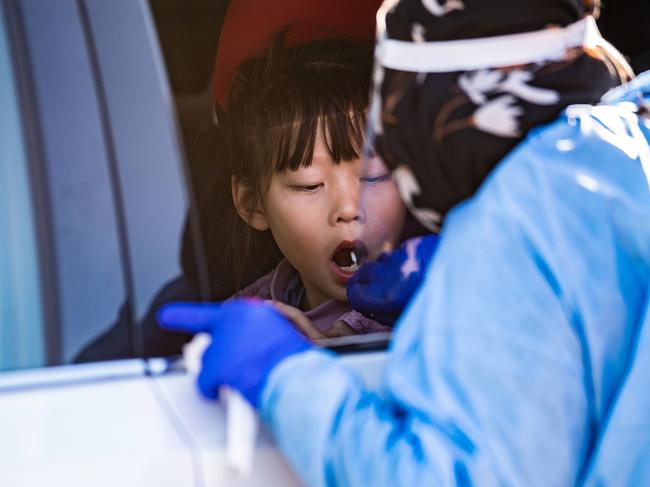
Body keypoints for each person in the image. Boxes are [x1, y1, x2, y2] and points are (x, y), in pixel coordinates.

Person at [159, 0, 650, 485]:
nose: (349, 207)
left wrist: (287, 375)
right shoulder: (623, 145)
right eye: (309, 184)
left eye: (380, 168)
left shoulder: (522, 213)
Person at [207, 35, 406, 339]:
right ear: (252, 204)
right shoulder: (248, 318)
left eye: (374, 175)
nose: (349, 208)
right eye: (309, 185)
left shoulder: (436, 304)